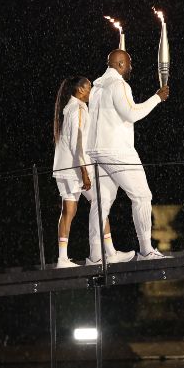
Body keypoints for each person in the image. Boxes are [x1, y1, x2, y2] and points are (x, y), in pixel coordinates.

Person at [85, 49, 171, 262]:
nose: (131, 67)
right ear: (121, 64)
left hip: (95, 151)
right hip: (117, 151)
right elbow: (131, 113)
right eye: (129, 63)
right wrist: (156, 99)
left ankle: (96, 255)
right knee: (142, 196)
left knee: (102, 201)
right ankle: (146, 250)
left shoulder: (96, 87)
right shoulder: (119, 85)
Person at [51, 76, 134, 268]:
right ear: (80, 90)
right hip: (73, 169)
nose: (91, 91)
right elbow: (76, 143)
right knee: (72, 209)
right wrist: (85, 172)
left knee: (98, 201)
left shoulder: (74, 108)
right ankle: (65, 259)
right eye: (88, 88)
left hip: (71, 167)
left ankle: (107, 252)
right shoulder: (77, 109)